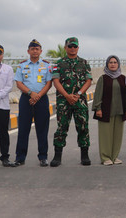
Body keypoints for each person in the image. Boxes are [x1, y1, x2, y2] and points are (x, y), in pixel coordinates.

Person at [50, 37, 92, 167]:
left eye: (75, 46)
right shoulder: (59, 63)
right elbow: (56, 81)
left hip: (80, 101)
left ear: (78, 48)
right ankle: (57, 156)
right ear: (65, 47)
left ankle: (84, 155)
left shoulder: (84, 63)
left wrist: (78, 94)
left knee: (83, 127)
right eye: (70, 46)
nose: (72, 48)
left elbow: (88, 81)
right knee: (61, 128)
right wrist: (67, 95)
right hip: (64, 101)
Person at [14, 39, 53, 167]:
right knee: (23, 129)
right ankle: (20, 157)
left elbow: (49, 83)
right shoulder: (22, 65)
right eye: (32, 49)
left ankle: (43, 157)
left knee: (42, 129)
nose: (35, 51)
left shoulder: (47, 66)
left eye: (37, 49)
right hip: (26, 99)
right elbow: (19, 83)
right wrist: (31, 94)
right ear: (28, 51)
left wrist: (38, 95)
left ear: (41, 51)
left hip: (42, 99)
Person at [92, 55, 126, 166]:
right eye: (110, 62)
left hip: (120, 111)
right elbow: (98, 94)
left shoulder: (123, 78)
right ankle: (105, 157)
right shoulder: (103, 78)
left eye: (115, 62)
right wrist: (98, 108)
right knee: (105, 135)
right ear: (107, 64)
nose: (113, 64)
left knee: (117, 135)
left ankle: (114, 156)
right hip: (105, 111)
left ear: (118, 64)